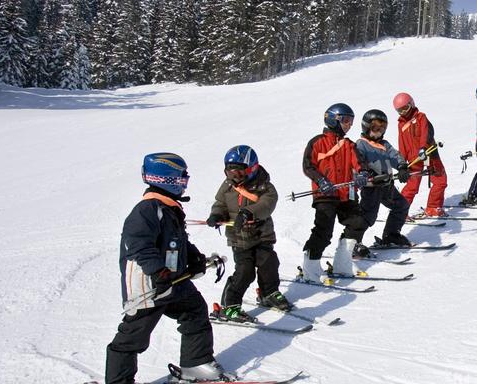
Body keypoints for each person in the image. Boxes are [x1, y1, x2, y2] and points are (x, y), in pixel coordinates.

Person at [106, 153, 232, 383]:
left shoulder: (167, 208)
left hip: (172, 280)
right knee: (133, 336)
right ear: (168, 179)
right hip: (150, 284)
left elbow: (177, 241)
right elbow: (138, 245)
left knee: (194, 310)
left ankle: (197, 363)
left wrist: (194, 257)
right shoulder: (147, 210)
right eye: (182, 179)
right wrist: (158, 271)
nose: (185, 184)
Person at [206, 145, 289, 324]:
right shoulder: (228, 186)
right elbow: (220, 203)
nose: (234, 177)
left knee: (269, 263)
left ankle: (269, 293)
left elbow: (268, 203)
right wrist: (217, 215)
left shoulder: (264, 186)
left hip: (262, 234)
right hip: (239, 237)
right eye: (230, 173)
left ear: (251, 169)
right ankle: (230, 305)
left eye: (239, 173)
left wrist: (249, 212)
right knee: (245, 271)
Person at [300, 103, 371, 283]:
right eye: (346, 120)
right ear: (333, 119)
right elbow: (308, 166)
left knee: (358, 222)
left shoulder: (349, 144)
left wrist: (362, 174)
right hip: (325, 194)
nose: (349, 125)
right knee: (324, 230)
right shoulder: (317, 142)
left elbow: (360, 163)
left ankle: (342, 262)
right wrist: (321, 180)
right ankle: (311, 266)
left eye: (351, 121)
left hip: (346, 193)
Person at [355, 109, 414, 247]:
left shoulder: (384, 144)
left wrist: (402, 167)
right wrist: (368, 175)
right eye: (375, 127)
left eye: (383, 127)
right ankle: (354, 242)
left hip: (387, 185)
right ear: (366, 126)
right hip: (372, 187)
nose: (379, 131)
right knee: (368, 216)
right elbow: (358, 163)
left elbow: (395, 156)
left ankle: (391, 235)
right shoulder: (361, 144)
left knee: (401, 205)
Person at [393, 92, 449, 217]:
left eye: (405, 108)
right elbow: (401, 143)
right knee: (412, 186)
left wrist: (423, 148)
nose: (404, 113)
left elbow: (425, 132)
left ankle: (433, 207)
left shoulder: (421, 117)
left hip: (427, 153)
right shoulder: (401, 124)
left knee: (440, 179)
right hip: (414, 159)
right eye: (400, 111)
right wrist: (402, 162)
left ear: (411, 104)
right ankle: (400, 212)